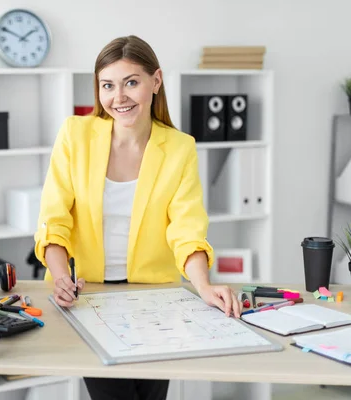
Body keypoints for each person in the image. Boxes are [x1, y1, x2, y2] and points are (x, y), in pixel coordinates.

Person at [33, 35, 243, 400]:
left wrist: (203, 287)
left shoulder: (179, 148)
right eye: (108, 86)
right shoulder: (75, 134)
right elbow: (54, 220)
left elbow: (187, 229)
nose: (119, 97)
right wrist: (62, 277)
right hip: (89, 297)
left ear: (156, 81)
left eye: (131, 82)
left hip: (154, 300)